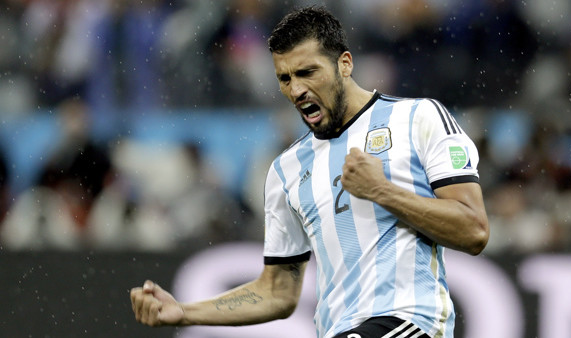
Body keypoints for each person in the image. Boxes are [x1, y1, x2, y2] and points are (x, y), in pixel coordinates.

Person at [130, 6, 489, 338]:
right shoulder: (286, 170)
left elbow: (473, 229)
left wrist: (382, 191)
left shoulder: (418, 119)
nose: (296, 89)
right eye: (284, 78)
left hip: (411, 322)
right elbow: (277, 291)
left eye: (307, 72)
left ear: (344, 64)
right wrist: (184, 311)